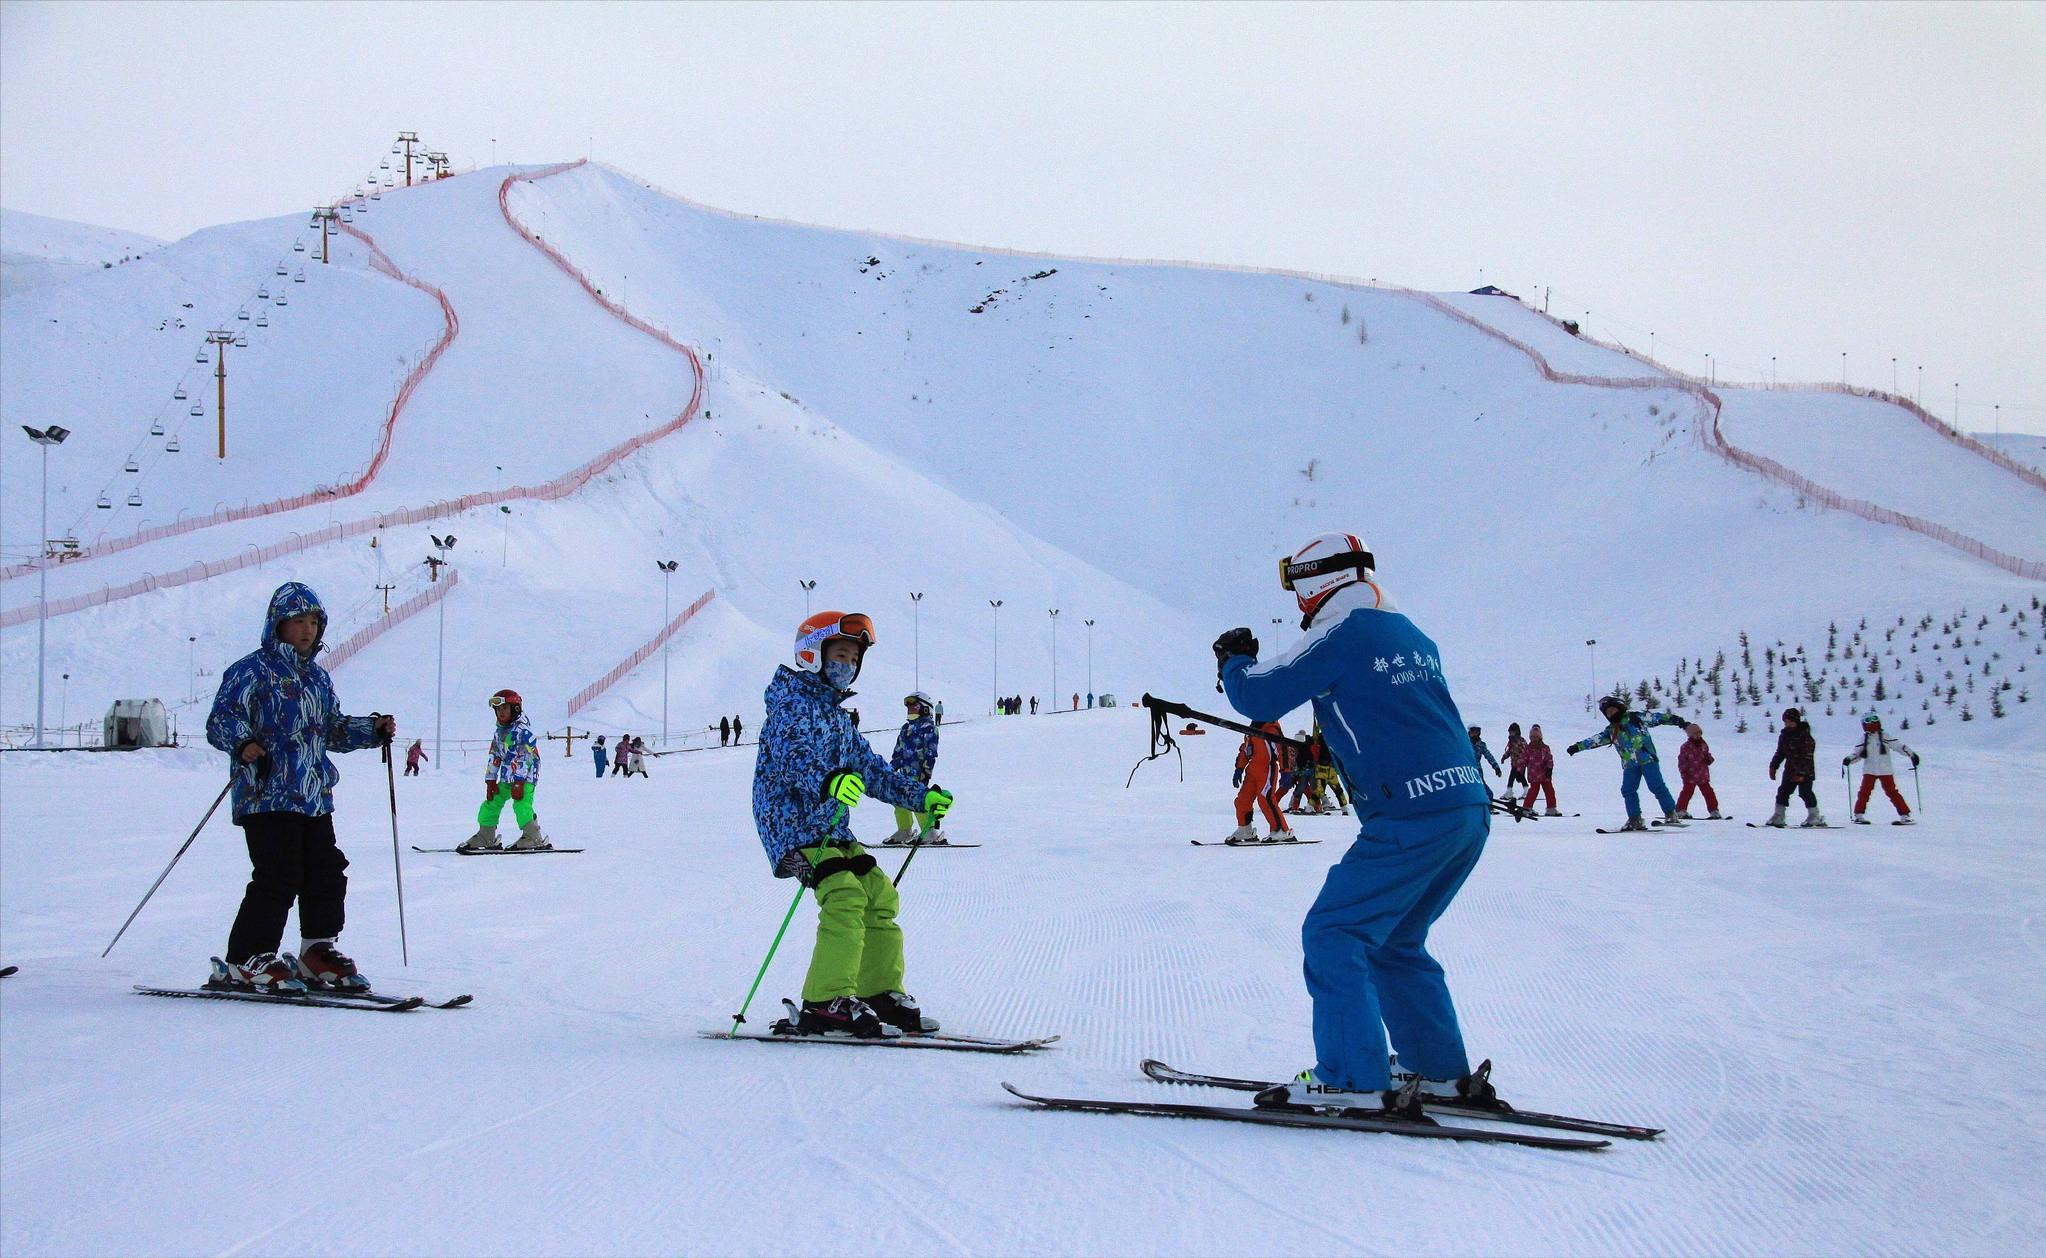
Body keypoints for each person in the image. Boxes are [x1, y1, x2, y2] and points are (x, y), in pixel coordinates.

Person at [1217, 531, 1497, 1119]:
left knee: (1335, 932)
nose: (1297, 599)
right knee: (1395, 940)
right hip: (1464, 809)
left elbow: (1260, 695)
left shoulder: (1343, 634)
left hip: (1410, 814)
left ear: (1318, 581)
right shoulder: (1409, 633)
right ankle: (1437, 1069)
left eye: (1295, 583)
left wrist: (1235, 659)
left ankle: (1351, 1077)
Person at [752, 611, 954, 1038]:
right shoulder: (790, 706)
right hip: (791, 825)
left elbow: (872, 771)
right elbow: (793, 757)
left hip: (831, 827)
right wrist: (829, 780)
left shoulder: (838, 718)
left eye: (854, 658)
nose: (849, 664)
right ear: (813, 654)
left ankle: (878, 990)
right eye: (840, 653)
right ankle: (825, 1001)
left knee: (878, 894)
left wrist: (921, 797)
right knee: (843, 896)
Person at [204, 581, 395, 994]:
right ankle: (247, 957)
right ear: (278, 624)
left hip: (312, 795)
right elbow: (221, 720)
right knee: (278, 873)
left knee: (326, 870)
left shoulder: (317, 679)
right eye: (298, 622)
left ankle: (316, 950)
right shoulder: (250, 671)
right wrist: (243, 743)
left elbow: (332, 730)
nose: (307, 630)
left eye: (314, 622)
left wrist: (371, 730)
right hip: (266, 793)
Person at [1566, 697, 1689, 830]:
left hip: (1647, 759)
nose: (1611, 714)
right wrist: (1577, 747)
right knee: (1628, 790)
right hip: (1630, 765)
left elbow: (1659, 717)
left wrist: (1680, 722)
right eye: (1608, 713)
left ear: (1619, 707)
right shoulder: (1612, 730)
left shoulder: (1636, 718)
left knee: (1656, 786)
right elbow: (1596, 740)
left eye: (1612, 710)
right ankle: (1635, 819)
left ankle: (1671, 813)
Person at [462, 689, 549, 850]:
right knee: (492, 802)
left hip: (525, 777)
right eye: (498, 710)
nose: (501, 713)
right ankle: (486, 835)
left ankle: (534, 837)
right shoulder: (499, 732)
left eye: (504, 709)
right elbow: (495, 755)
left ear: (515, 709)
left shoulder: (523, 732)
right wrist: (490, 780)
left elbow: (525, 757)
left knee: (521, 805)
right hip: (507, 777)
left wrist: (519, 782)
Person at [884, 692, 944, 845]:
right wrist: (890, 770)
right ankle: (904, 830)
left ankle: (929, 831)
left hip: (918, 773)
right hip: (903, 774)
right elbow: (897, 752)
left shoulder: (929, 727)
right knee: (898, 799)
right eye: (909, 707)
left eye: (915, 706)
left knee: (918, 800)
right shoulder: (905, 728)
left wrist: (926, 772)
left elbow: (931, 753)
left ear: (925, 709)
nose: (910, 710)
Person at [1227, 721, 1295, 844]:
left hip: (1267, 768)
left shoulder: (1271, 728)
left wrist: (1285, 771)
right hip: (1252, 770)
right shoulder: (1252, 728)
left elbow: (1282, 749)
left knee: (1265, 799)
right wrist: (1239, 768)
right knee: (1242, 800)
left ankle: (1282, 830)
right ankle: (1245, 829)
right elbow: (1245, 749)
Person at [1845, 712, 1918, 825]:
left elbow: (1899, 746)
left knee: (1892, 792)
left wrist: (1912, 754)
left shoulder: (1885, 736)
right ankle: (1858, 815)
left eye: (1874, 719)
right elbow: (1857, 753)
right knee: (1864, 792)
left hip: (1885, 770)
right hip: (1870, 770)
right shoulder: (1864, 739)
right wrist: (1849, 759)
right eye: (1868, 720)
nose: (1872, 722)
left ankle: (1905, 815)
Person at [1767, 707, 1825, 828]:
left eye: (1790, 721)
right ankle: (1779, 815)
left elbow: (1807, 756)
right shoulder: (1784, 735)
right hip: (1790, 770)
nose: (1788, 724)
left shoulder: (1805, 736)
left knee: (1805, 792)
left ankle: (1815, 816)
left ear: (1796, 721)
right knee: (1783, 791)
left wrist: (1801, 773)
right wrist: (1773, 766)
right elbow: (1780, 752)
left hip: (1806, 771)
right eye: (1786, 721)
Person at [1674, 724, 1724, 819]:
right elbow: (1682, 760)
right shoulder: (1686, 746)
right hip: (1690, 775)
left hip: (1702, 774)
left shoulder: (1703, 744)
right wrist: (1684, 772)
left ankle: (1714, 811)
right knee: (1687, 792)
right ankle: (1680, 810)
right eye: (1695, 734)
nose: (1698, 735)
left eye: (1699, 733)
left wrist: (1709, 759)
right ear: (1690, 735)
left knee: (1709, 793)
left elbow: (1706, 755)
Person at [1520, 724, 1559, 815]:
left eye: (1536, 737)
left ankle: (1551, 808)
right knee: (1533, 791)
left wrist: (1550, 769)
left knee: (1549, 791)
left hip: (1545, 774)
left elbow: (1549, 758)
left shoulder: (1545, 748)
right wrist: (1519, 771)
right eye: (1532, 737)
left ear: (1540, 737)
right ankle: (1527, 807)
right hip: (1534, 775)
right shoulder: (1528, 749)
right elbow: (1523, 760)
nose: (1534, 739)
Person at [1501, 723, 1528, 791]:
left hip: (1520, 763)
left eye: (1512, 732)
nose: (1510, 734)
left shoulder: (1521, 741)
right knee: (1516, 777)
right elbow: (1510, 751)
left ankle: (1525, 790)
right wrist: (1504, 757)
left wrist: (1522, 760)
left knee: (1516, 777)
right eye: (1509, 732)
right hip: (1514, 763)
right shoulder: (1511, 741)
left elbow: (1525, 751)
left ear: (1516, 732)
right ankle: (1524, 790)